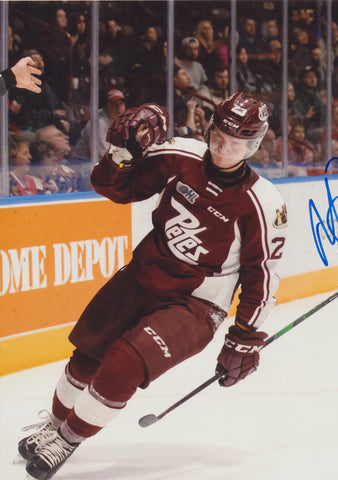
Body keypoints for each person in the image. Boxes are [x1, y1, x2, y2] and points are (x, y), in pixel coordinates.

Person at [17, 92, 287, 480]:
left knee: (123, 363)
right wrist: (120, 154)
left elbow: (262, 276)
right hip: (143, 275)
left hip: (196, 304)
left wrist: (244, 337)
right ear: (210, 128)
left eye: (239, 142)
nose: (224, 148)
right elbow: (114, 188)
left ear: (255, 145)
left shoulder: (263, 203)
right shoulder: (181, 155)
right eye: (219, 136)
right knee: (87, 355)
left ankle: (67, 439)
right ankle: (53, 425)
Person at [73, 89, 127, 161]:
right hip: (81, 166)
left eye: (121, 104)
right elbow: (104, 157)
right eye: (114, 104)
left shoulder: (120, 122)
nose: (119, 108)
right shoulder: (98, 123)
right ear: (106, 106)